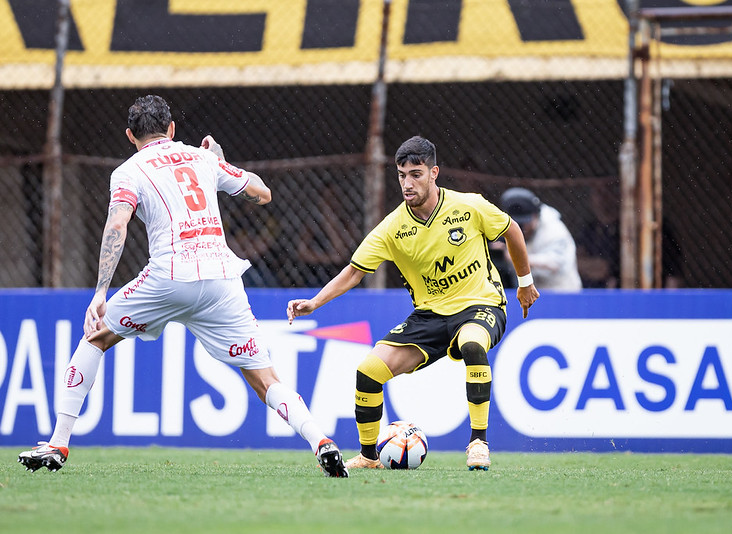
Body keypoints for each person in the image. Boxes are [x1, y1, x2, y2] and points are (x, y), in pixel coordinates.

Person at [18, 95, 348, 478]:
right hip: (221, 279)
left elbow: (118, 224)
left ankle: (58, 443)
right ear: (172, 129)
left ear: (130, 136)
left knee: (95, 337)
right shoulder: (203, 158)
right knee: (265, 379)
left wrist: (100, 292)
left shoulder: (128, 171)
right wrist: (222, 162)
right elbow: (263, 193)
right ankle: (319, 440)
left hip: (169, 278)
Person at [287, 136, 539, 471]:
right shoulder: (393, 227)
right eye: (402, 175)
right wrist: (315, 303)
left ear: (434, 173)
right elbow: (354, 271)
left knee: (472, 343)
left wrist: (525, 282)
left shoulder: (469, 206)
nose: (408, 183)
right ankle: (369, 457)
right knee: (368, 371)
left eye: (416, 174)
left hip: (481, 304)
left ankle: (478, 443)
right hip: (430, 315)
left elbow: (512, 230)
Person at [499, 188, 582, 291]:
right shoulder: (510, 229)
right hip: (530, 292)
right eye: (518, 223)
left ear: (535, 215)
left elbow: (555, 263)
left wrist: (517, 257)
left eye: (525, 222)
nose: (522, 227)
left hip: (561, 291)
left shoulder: (554, 229)